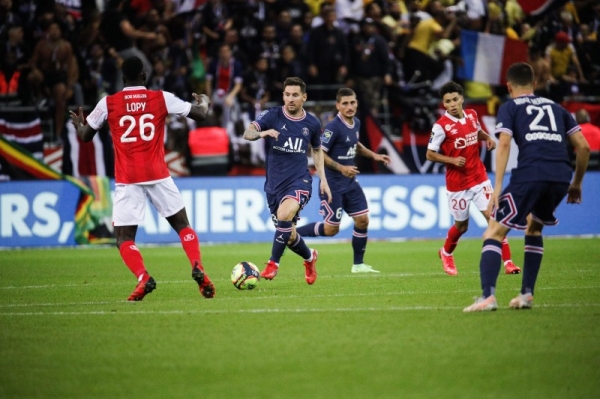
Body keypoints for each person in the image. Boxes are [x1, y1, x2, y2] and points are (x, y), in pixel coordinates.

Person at [68, 56, 215, 302]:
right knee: (182, 226)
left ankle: (143, 277)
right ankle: (197, 265)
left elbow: (85, 136)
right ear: (144, 77)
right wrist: (206, 101)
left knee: (124, 238)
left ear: (123, 79)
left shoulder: (108, 103)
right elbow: (200, 115)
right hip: (158, 173)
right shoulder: (161, 98)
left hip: (128, 178)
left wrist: (79, 124)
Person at [463, 62, 590, 312]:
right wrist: (576, 183)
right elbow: (583, 147)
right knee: (533, 229)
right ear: (534, 85)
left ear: (509, 87)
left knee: (493, 232)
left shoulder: (509, 107)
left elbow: (504, 144)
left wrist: (497, 186)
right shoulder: (557, 107)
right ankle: (526, 294)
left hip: (531, 173)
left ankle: (487, 297)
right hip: (561, 176)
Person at [242, 77, 332, 285]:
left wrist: (323, 180)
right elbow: (248, 133)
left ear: (304, 97)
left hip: (300, 181)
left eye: (295, 95)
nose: (290, 99)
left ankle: (273, 264)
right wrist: (263, 132)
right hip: (274, 186)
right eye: (287, 95)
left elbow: (317, 151)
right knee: (289, 236)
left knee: (284, 215)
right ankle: (310, 258)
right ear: (283, 96)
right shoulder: (272, 115)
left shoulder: (311, 122)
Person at [426, 81, 521, 276]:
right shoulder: (440, 127)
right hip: (457, 185)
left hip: (479, 178)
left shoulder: (471, 115)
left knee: (494, 219)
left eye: (454, 99)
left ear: (461, 98)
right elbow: (430, 154)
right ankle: (446, 253)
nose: (452, 104)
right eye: (447, 101)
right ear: (443, 104)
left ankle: (508, 263)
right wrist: (451, 159)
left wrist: (486, 137)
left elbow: (475, 131)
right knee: (462, 226)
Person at [296, 88, 390, 273]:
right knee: (332, 230)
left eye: (352, 102)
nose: (349, 106)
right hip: (333, 184)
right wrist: (342, 168)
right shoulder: (333, 127)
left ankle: (358, 265)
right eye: (345, 103)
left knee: (362, 220)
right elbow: (320, 153)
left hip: (350, 182)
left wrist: (375, 156)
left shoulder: (356, 123)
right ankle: (292, 234)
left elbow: (355, 144)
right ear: (338, 105)